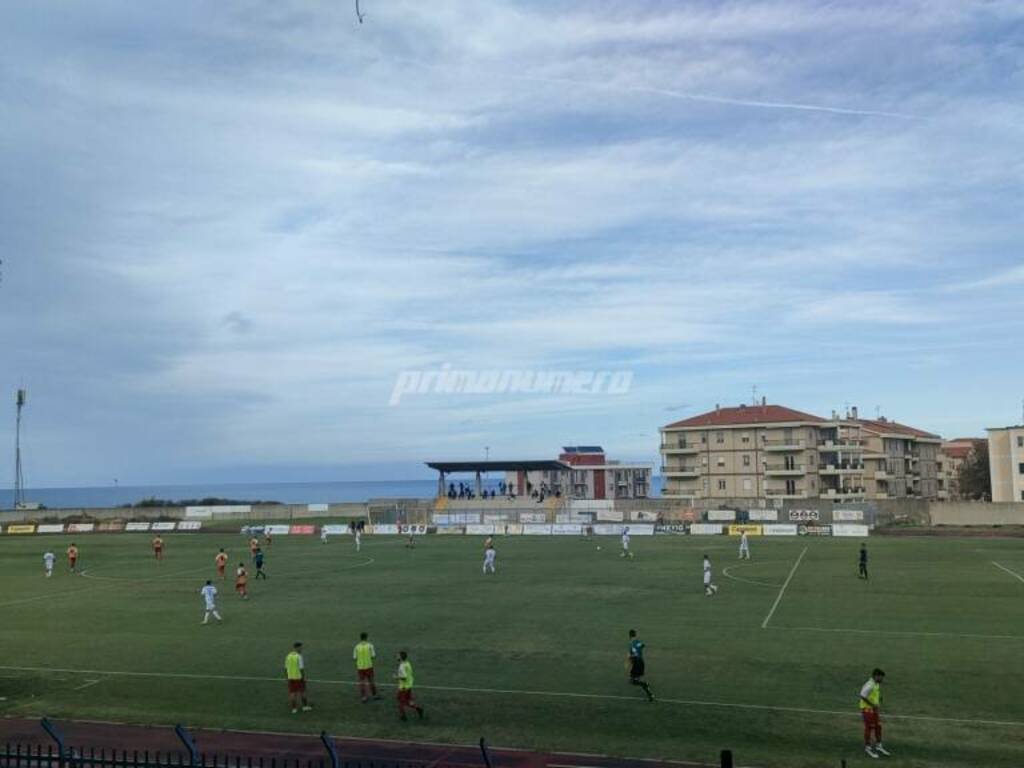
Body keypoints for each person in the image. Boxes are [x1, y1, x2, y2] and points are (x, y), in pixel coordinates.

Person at [859, 668, 890, 758]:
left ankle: (879, 746)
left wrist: (878, 700)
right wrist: (872, 705)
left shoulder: (876, 684)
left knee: (878, 727)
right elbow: (862, 695)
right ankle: (868, 748)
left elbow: (873, 695)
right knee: (869, 728)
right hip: (868, 710)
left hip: (874, 710)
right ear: (876, 676)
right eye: (881, 677)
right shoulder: (870, 685)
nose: (882, 679)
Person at [394, 650, 424, 721]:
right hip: (408, 686)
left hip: (404, 687)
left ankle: (403, 716)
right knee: (406, 701)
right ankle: (418, 709)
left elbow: (404, 677)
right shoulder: (408, 663)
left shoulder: (402, 666)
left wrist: (396, 677)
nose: (396, 656)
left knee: (400, 701)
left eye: (398, 655)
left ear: (401, 657)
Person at [627, 629, 654, 701]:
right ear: (635, 635)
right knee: (637, 679)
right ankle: (650, 695)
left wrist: (630, 656)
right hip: (641, 662)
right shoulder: (638, 642)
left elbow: (634, 654)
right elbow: (643, 645)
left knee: (632, 681)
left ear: (629, 636)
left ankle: (645, 684)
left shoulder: (631, 644)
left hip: (637, 663)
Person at [285, 642, 313, 713]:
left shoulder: (288, 656)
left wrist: (287, 677)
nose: (301, 649)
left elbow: (285, 668)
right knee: (302, 692)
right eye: (300, 647)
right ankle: (305, 707)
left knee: (292, 693)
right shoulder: (299, 656)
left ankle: (294, 709)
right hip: (298, 677)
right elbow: (301, 669)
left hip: (290, 677)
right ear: (296, 647)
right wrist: (304, 678)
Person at [353, 632, 380, 702]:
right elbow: (373, 656)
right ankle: (374, 695)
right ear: (366, 637)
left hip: (360, 667)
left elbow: (354, 657)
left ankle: (363, 697)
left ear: (360, 638)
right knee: (371, 681)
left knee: (362, 682)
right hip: (369, 666)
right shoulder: (370, 645)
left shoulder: (356, 647)